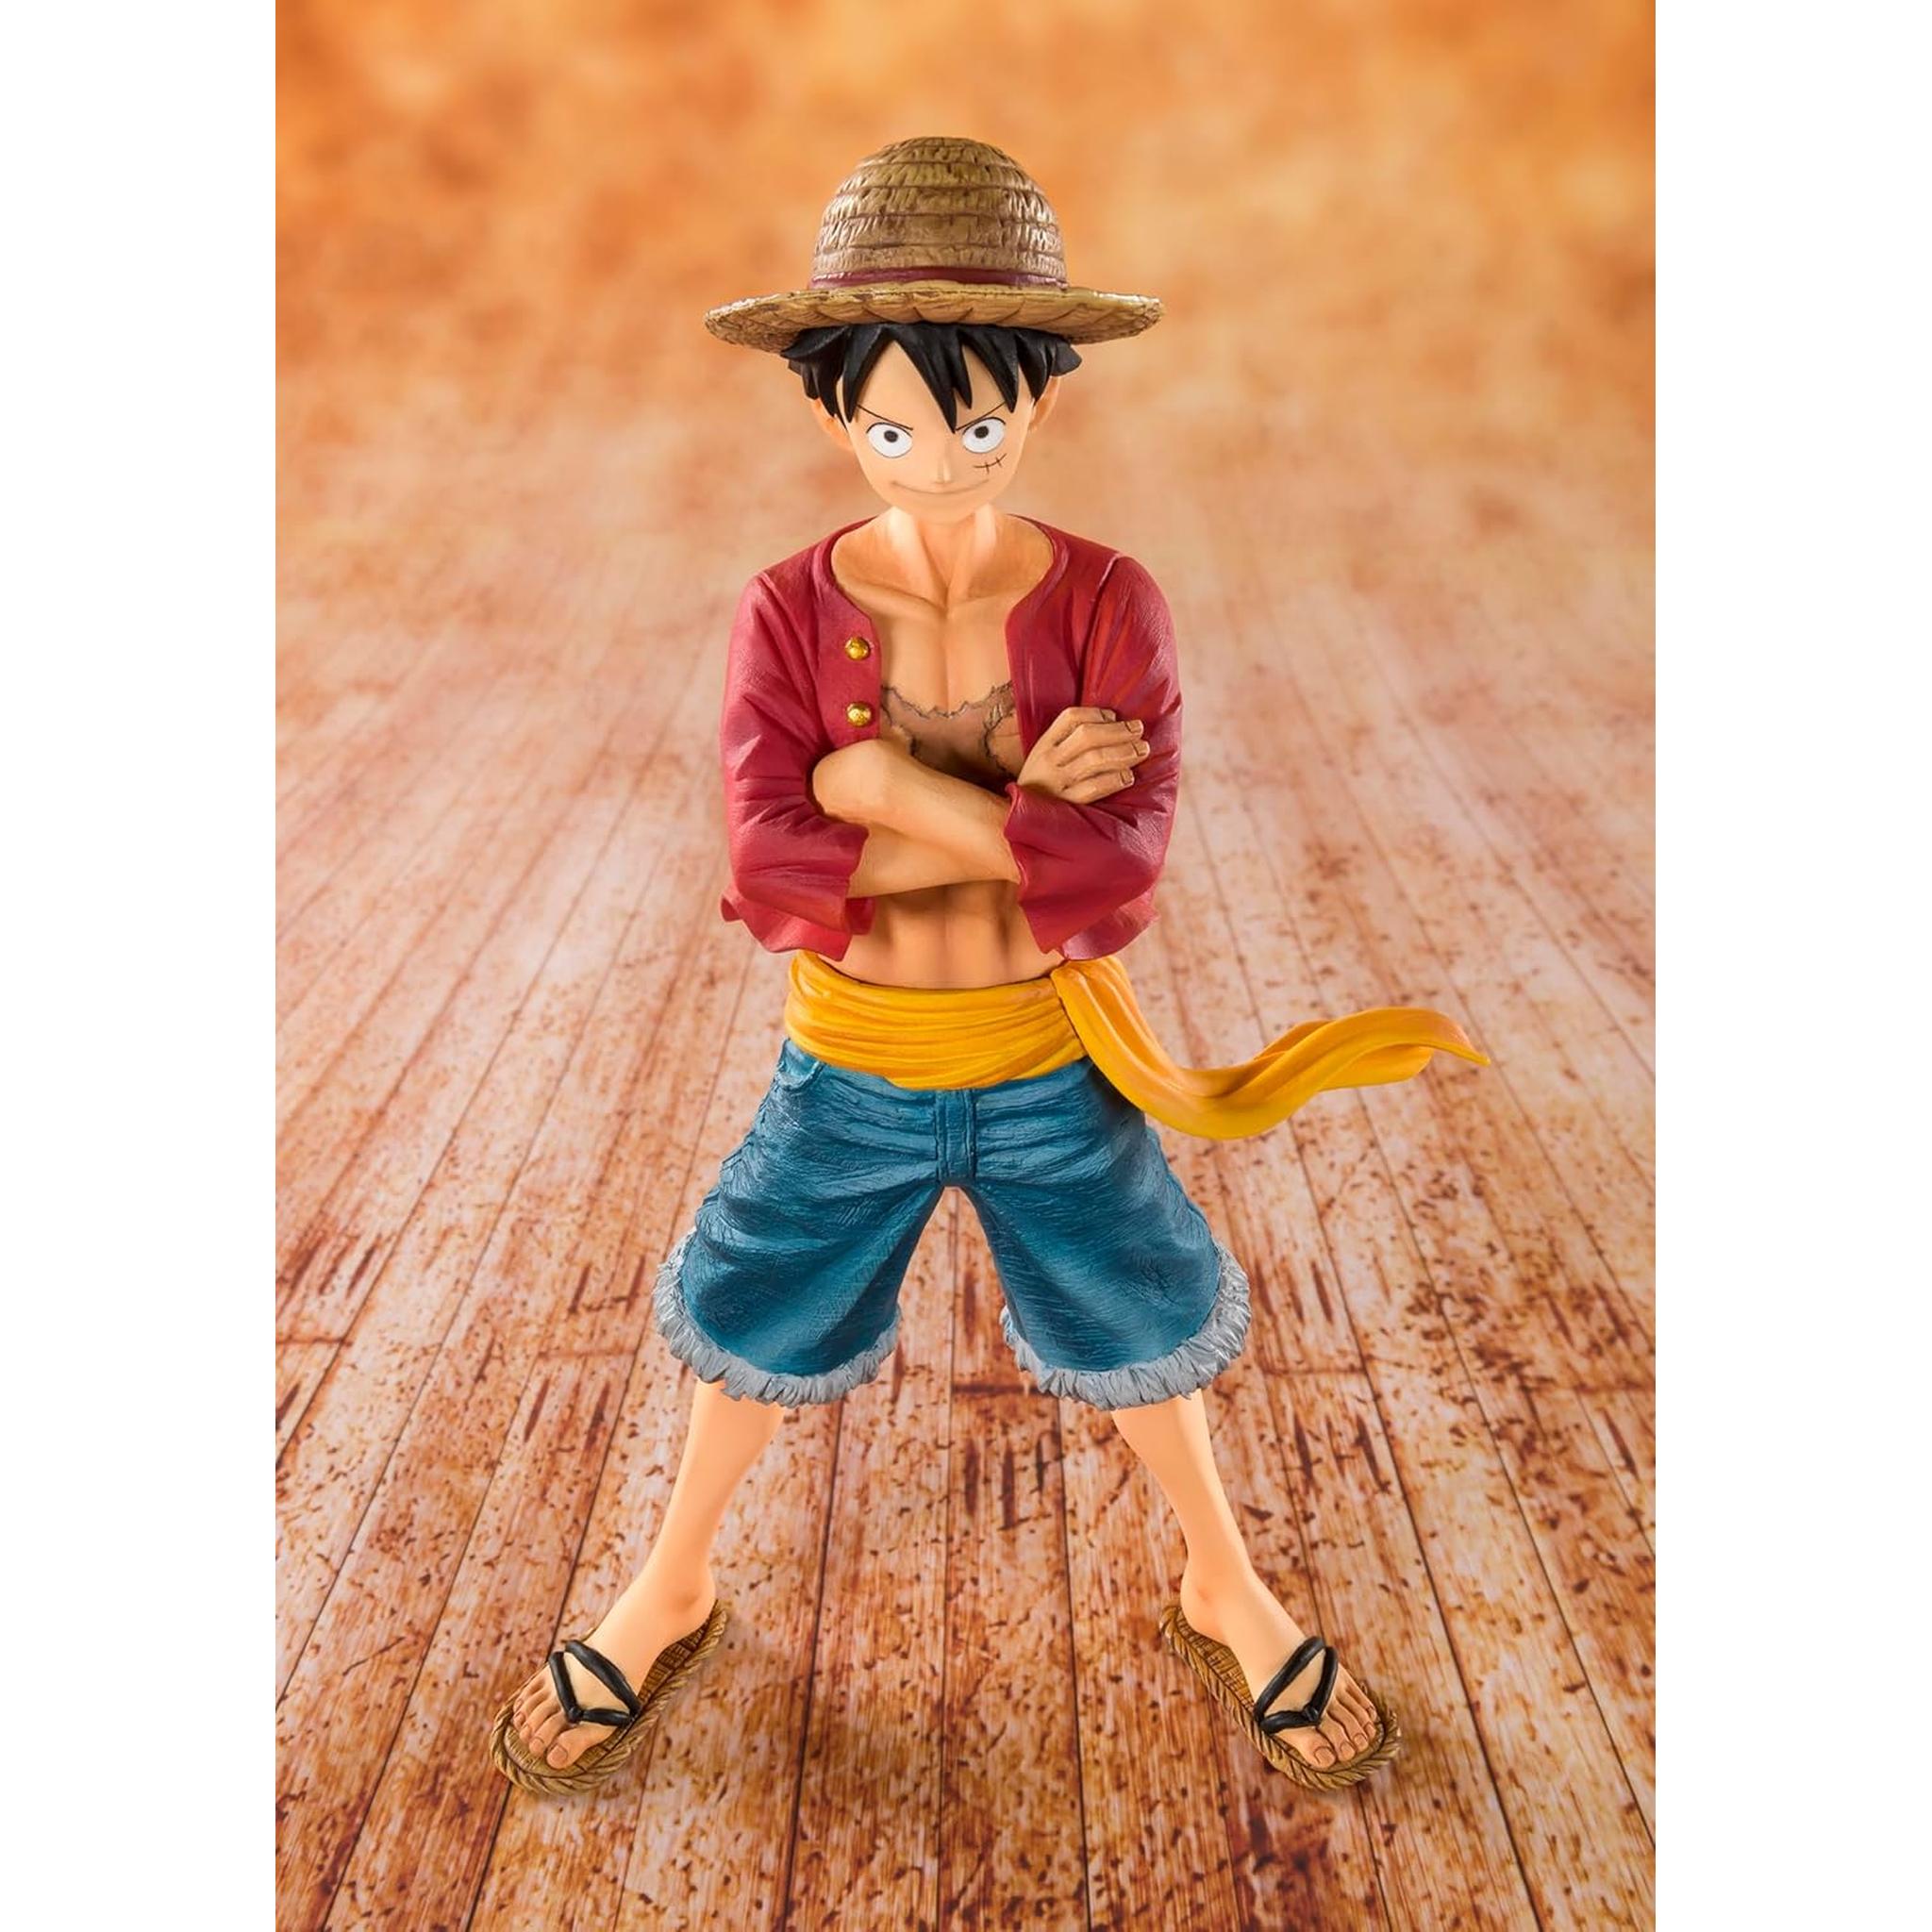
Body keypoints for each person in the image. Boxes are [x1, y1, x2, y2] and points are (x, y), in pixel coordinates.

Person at [491, 136, 1486, 1799]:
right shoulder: (785, 608)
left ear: (1037, 402)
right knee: (756, 1310)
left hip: (1048, 1059)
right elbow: (767, 862)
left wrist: (874, 787)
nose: (941, 463)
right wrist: (1011, 800)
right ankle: (671, 1583)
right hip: (852, 1057)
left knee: (1137, 1314)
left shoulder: (1110, 599)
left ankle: (1222, 1580)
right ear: (834, 419)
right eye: (894, 429)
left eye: (976, 425)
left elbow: (1118, 866)